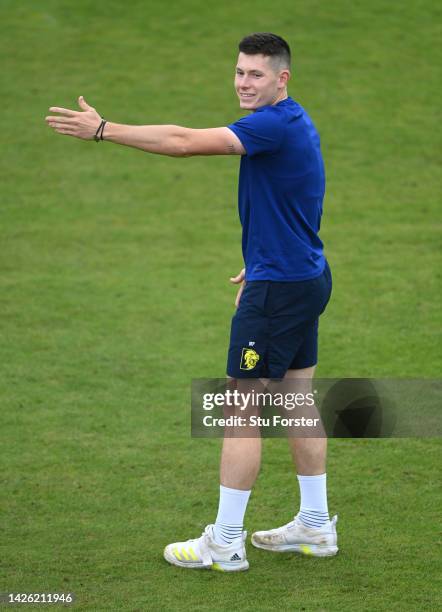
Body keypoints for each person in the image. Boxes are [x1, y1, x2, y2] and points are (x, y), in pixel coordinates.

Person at [45, 32, 337, 573]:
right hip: (303, 277)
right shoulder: (294, 121)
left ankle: (225, 541)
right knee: (297, 397)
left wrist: (104, 130)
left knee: (241, 408)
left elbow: (182, 141)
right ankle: (316, 526)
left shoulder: (270, 125)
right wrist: (268, 257)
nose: (243, 83)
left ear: (282, 78)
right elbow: (304, 194)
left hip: (280, 288)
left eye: (255, 74)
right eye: (239, 72)